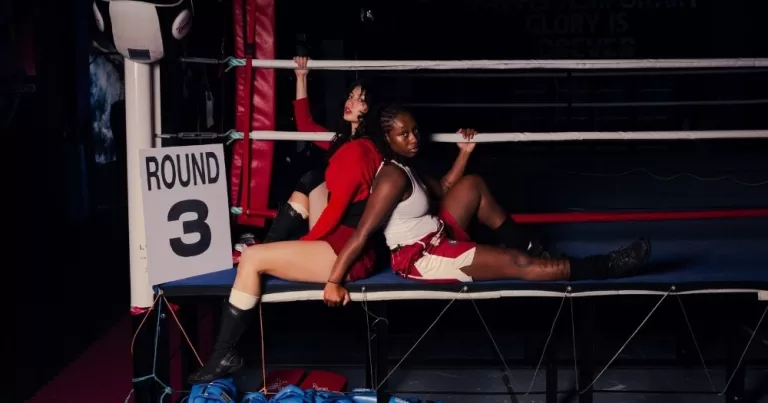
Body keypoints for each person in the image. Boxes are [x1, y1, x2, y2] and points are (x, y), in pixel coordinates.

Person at [322, 104, 652, 307]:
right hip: (423, 258)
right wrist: (334, 281)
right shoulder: (391, 177)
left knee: (472, 185)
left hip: (436, 234)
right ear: (387, 139)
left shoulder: (407, 165)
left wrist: (464, 152)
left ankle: (541, 252)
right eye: (404, 135)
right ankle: (606, 266)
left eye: (415, 131)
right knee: (517, 262)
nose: (414, 139)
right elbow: (363, 234)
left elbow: (446, 187)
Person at [261, 56, 377, 243]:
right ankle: (266, 248)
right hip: (336, 213)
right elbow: (305, 125)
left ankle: (267, 249)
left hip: (350, 221)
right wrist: (301, 77)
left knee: (313, 178)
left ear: (371, 109)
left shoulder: (366, 148)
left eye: (361, 100)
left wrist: (307, 241)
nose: (351, 102)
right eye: (351, 96)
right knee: (313, 178)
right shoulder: (342, 141)